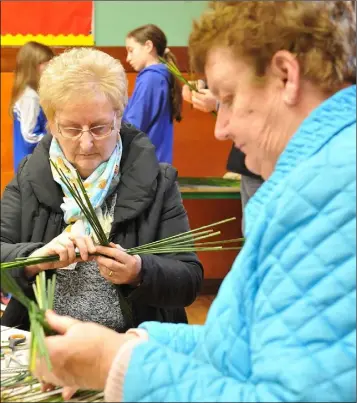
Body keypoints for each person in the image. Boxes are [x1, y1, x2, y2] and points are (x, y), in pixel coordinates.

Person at [33, 2, 356, 402]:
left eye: (229, 98)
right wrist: (133, 346)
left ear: (286, 75)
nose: (221, 128)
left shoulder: (331, 190)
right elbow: (240, 347)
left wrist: (116, 363)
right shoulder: (318, 179)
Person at [0, 47, 203, 334]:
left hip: (127, 347)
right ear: (52, 124)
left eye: (99, 128)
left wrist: (138, 270)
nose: (86, 144)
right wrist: (34, 259)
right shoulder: (30, 176)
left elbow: (189, 280)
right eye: (71, 129)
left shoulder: (158, 181)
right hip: (48, 347)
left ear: (119, 117)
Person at [182, 80, 264, 233]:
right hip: (249, 166)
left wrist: (219, 104)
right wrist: (205, 87)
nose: (220, 132)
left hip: (262, 167)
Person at [123, 24, 183, 164]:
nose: (127, 58)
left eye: (131, 51)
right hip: (153, 161)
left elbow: (133, 125)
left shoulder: (152, 79)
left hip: (146, 165)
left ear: (148, 46)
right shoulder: (158, 76)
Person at [9, 41, 55, 172]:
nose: (50, 66)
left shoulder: (32, 94)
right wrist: (56, 137)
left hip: (31, 163)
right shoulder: (30, 97)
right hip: (30, 164)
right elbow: (29, 136)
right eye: (46, 63)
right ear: (33, 66)